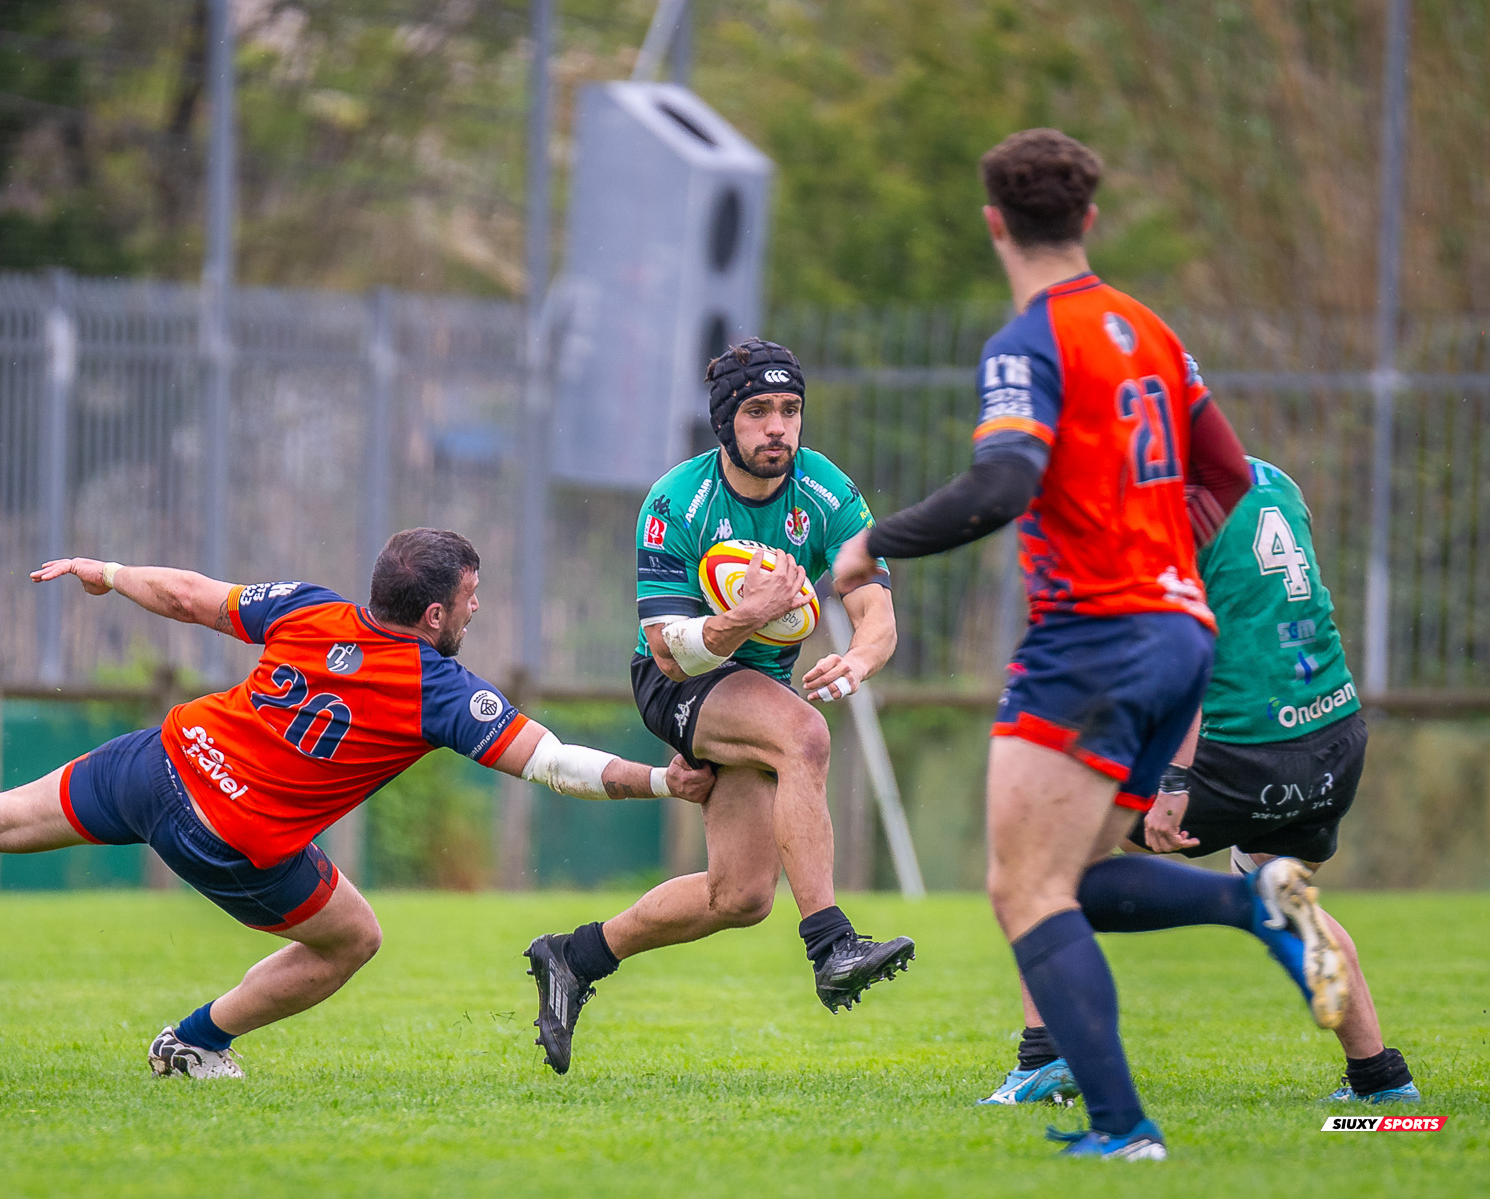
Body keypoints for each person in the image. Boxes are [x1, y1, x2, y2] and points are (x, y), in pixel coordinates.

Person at [0, 528, 715, 1080]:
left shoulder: (310, 606)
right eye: (469, 601)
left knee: (2, 813)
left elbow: (193, 594)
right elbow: (555, 764)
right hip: (233, 836)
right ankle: (194, 1042)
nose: (475, 613)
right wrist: (660, 780)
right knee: (354, 939)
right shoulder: (439, 691)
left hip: (167, 757)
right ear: (433, 614)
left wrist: (109, 572)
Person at [831, 129, 1347, 1160]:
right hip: (1180, 633)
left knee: (1020, 889)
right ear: (1089, 220)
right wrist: (1154, 545)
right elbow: (1230, 470)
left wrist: (869, 544)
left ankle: (1126, 1125)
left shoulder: (1028, 341)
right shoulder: (1149, 329)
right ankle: (1250, 901)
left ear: (994, 223)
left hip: (1095, 637)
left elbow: (1003, 482)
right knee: (1069, 875)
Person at [524, 338, 914, 1077]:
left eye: (790, 409)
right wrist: (750, 612)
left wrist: (859, 658)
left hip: (753, 688)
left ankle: (572, 958)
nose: (778, 427)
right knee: (803, 734)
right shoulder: (677, 501)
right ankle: (832, 944)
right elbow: (669, 650)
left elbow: (878, 611)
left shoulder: (827, 491)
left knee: (739, 895)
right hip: (678, 682)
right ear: (725, 421)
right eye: (759, 410)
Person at [981, 458, 1418, 1107]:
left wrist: (1173, 779)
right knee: (1291, 898)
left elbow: (1184, 648)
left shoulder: (1170, 508)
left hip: (1241, 748)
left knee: (1038, 861)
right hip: (1331, 736)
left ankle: (1048, 1056)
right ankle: (1381, 1079)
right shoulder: (1275, 479)